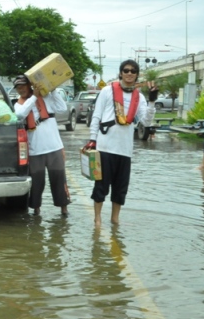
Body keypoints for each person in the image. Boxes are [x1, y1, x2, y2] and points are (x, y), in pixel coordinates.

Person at [82, 60, 157, 226]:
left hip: (125, 150)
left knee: (120, 188)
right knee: (101, 186)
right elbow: (96, 116)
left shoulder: (140, 97)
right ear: (121, 73)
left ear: (137, 74)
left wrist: (152, 101)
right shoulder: (107, 91)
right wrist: (93, 140)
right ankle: (97, 219)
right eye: (126, 70)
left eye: (133, 71)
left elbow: (145, 121)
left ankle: (115, 219)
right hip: (105, 147)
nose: (129, 73)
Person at [13, 74, 70, 217]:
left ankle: (63, 209)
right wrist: (33, 98)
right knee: (37, 182)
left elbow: (62, 108)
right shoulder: (19, 104)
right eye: (18, 87)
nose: (20, 89)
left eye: (23, 86)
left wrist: (53, 90)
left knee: (59, 179)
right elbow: (20, 115)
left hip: (54, 147)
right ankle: (36, 210)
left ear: (29, 85)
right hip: (35, 150)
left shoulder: (46, 97)